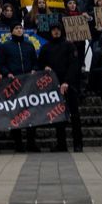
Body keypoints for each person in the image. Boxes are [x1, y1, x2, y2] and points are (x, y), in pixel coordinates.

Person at [38, 22, 83, 152]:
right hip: (53, 86)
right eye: (53, 30)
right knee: (57, 116)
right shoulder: (46, 47)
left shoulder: (69, 45)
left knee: (74, 116)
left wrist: (67, 82)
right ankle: (61, 144)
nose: (56, 32)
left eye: (58, 29)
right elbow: (40, 62)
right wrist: (43, 67)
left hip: (69, 85)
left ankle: (78, 144)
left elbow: (74, 65)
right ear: (50, 32)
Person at [0, 22, 39, 152]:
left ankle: (31, 143)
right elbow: (1, 63)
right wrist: (7, 73)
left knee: (31, 113)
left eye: (21, 28)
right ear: (11, 31)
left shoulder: (29, 45)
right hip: (13, 84)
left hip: (28, 83)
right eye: (16, 28)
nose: (19, 30)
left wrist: (34, 69)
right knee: (15, 114)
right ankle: (18, 144)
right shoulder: (5, 47)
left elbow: (35, 62)